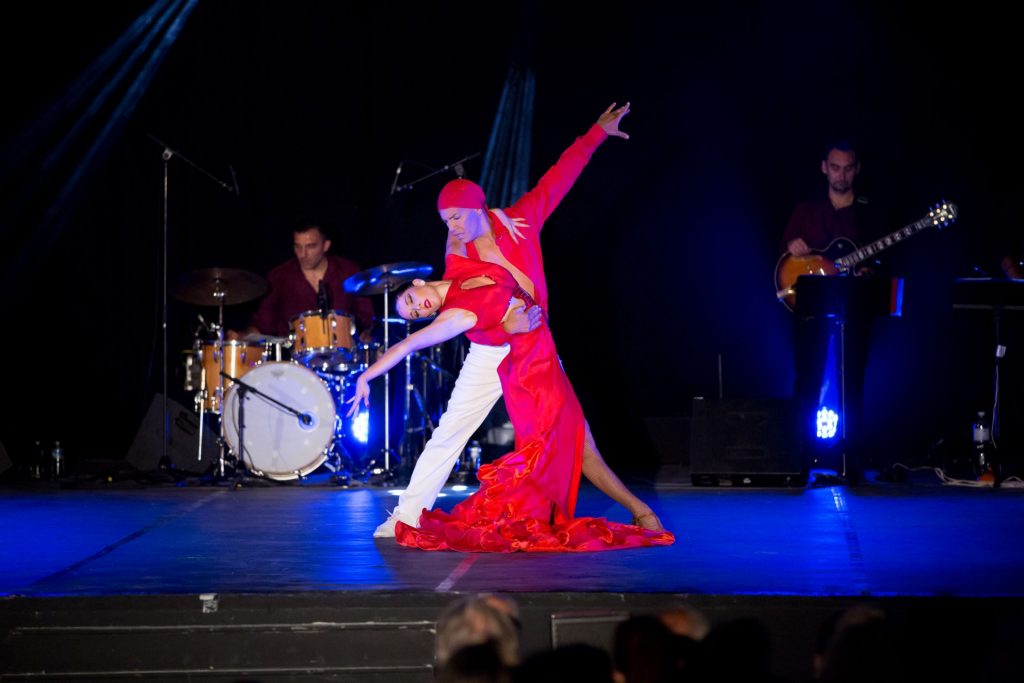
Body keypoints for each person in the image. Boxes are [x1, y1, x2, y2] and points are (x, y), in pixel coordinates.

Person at [374, 103, 667, 537]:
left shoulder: (523, 221)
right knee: (452, 429)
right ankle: (406, 515)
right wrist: (500, 329)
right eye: (445, 221)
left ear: (478, 208)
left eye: (455, 217)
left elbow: (559, 176)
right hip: (491, 350)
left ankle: (636, 510)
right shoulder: (458, 255)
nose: (450, 227)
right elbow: (463, 310)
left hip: (536, 351)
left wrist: (596, 134)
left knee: (578, 437)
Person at [348, 255, 674, 552]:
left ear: (417, 283)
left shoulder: (463, 269)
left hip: (540, 355)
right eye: (416, 314)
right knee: (579, 445)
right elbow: (408, 345)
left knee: (581, 444)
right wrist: (366, 377)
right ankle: (642, 513)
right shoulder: (455, 315)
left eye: (411, 301)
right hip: (528, 369)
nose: (419, 309)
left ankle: (640, 512)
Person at [781, 140, 882, 482]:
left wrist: (870, 270)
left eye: (848, 168)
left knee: (853, 382)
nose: (842, 174)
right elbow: (786, 259)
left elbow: (878, 263)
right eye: (835, 167)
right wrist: (793, 247)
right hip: (810, 309)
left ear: (857, 169)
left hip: (853, 309)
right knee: (806, 381)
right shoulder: (806, 210)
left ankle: (852, 459)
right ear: (824, 167)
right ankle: (800, 459)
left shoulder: (868, 213)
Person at [227, 222, 375, 342]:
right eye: (298, 246)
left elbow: (366, 317)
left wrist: (367, 333)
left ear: (326, 246)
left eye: (310, 246)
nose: (303, 254)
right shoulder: (280, 276)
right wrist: (243, 336)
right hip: (293, 364)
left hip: (343, 358)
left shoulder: (348, 270)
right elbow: (263, 324)